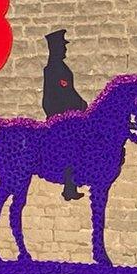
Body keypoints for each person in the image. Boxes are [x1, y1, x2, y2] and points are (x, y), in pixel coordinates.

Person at [42, 29, 87, 201]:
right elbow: (65, 93)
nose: (65, 50)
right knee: (72, 147)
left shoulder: (60, 67)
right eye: (62, 47)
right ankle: (69, 187)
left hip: (68, 115)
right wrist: (80, 104)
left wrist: (81, 104)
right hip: (60, 116)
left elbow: (70, 91)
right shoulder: (54, 69)